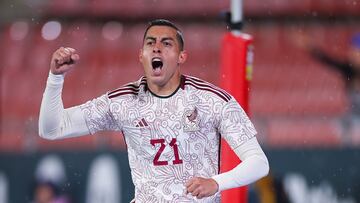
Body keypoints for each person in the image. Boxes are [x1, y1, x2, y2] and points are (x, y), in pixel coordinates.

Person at [39, 19, 269, 202]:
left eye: (166, 43)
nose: (157, 47)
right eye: (150, 43)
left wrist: (216, 183)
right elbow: (52, 129)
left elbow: (259, 163)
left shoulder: (212, 100)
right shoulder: (122, 102)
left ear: (181, 57)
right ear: (141, 56)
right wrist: (55, 78)